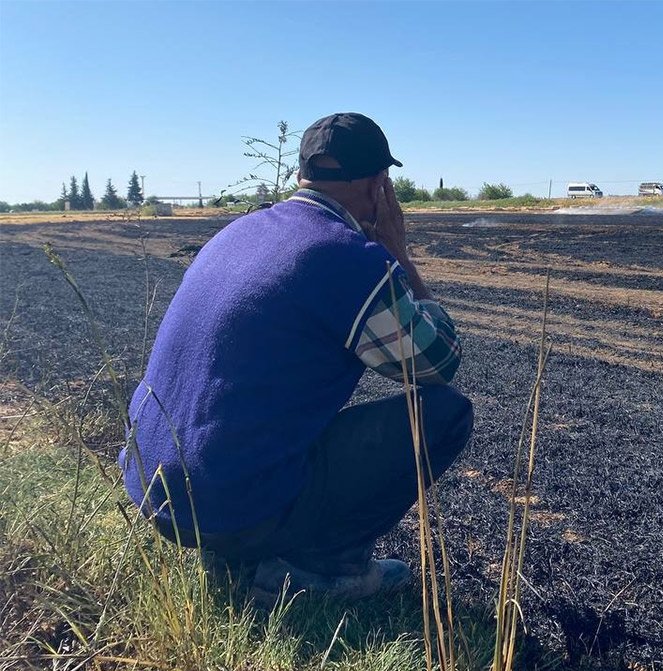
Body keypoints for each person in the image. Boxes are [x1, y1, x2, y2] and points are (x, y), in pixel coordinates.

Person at [119, 112, 473, 607]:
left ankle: (231, 551)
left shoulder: (236, 233)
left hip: (156, 496)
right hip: (229, 509)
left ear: (301, 177)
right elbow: (436, 362)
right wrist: (399, 255)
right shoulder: (346, 256)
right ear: (378, 187)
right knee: (446, 414)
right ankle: (319, 569)